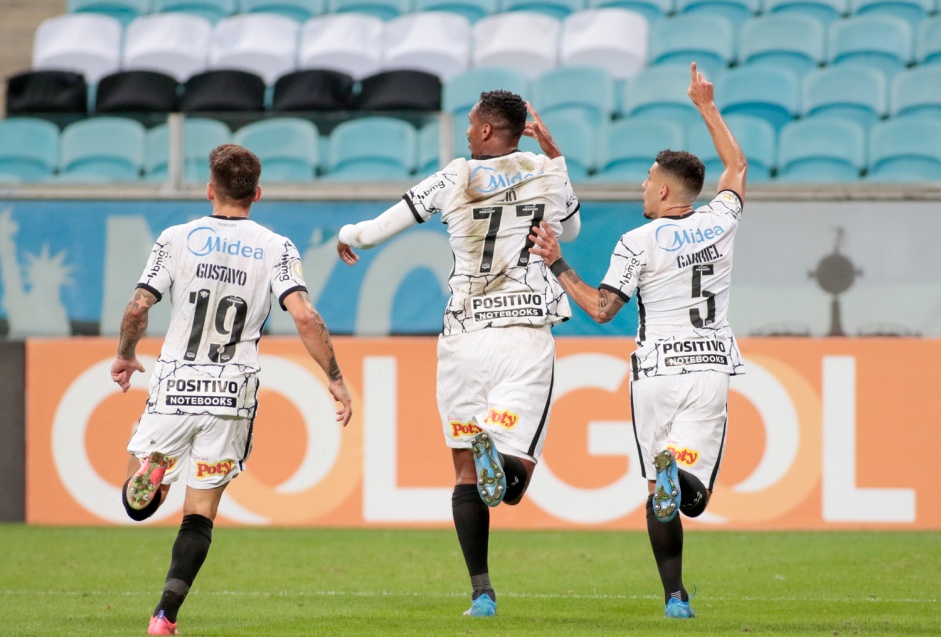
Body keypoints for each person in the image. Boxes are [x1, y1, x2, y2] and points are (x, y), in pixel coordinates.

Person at [335, 91, 581, 617]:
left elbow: (377, 231)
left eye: (472, 125)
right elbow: (572, 229)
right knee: (514, 481)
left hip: (463, 335)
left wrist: (346, 234)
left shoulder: (454, 176)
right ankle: (504, 462)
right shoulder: (547, 172)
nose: (467, 133)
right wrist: (555, 159)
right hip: (523, 332)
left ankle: (482, 593)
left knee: (465, 473)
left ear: (489, 131)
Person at [529, 62, 747, 620]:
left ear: (667, 189)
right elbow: (737, 165)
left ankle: (675, 597)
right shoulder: (722, 220)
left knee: (657, 493)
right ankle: (687, 480)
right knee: (693, 494)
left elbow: (602, 310)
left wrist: (557, 263)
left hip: (655, 374)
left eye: (649, 180)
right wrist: (705, 105)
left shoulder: (636, 241)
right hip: (708, 370)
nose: (642, 187)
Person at [111, 144, 353, 636]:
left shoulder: (176, 238)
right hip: (230, 395)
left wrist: (125, 354)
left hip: (175, 386)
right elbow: (304, 315)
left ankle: (151, 474)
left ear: (209, 189)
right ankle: (164, 615)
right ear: (257, 193)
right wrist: (334, 377)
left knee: (137, 506)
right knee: (199, 516)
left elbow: (138, 307)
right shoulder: (277, 246)